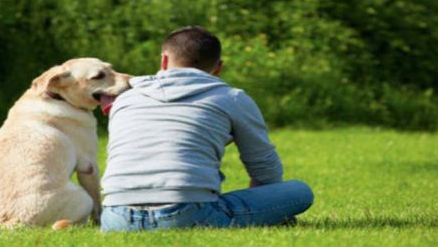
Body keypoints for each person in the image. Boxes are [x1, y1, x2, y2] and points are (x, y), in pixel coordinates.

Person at [100, 26, 313, 232]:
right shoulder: (232, 98)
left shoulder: (126, 99)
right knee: (300, 191)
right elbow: (265, 168)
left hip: (115, 216)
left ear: (164, 60)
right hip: (188, 214)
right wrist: (266, 209)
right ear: (218, 67)